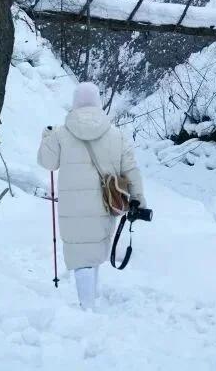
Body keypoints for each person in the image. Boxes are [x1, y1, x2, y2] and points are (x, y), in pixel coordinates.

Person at [37, 81, 146, 309]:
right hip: (104, 205)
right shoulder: (116, 134)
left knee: (80, 256)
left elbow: (46, 162)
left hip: (71, 208)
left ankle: (86, 307)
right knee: (94, 252)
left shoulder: (60, 133)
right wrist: (138, 201)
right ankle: (89, 306)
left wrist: (46, 138)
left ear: (75, 103)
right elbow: (131, 170)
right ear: (98, 103)